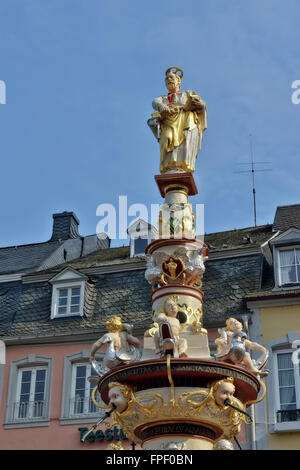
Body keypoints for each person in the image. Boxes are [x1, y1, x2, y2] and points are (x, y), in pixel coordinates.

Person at [148, 67, 207, 174]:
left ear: (178, 81)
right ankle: (168, 166)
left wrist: (199, 104)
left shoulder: (188, 93)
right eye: (166, 79)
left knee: (184, 142)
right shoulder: (163, 98)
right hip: (168, 122)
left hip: (185, 121)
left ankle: (181, 165)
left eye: (171, 78)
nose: (169, 80)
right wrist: (161, 106)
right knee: (166, 138)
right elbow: (155, 102)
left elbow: (201, 103)